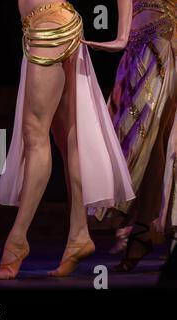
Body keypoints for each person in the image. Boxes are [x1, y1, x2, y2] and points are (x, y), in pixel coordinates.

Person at [0, 0, 135, 280]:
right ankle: (79, 234)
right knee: (69, 137)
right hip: (48, 26)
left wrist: (123, 36)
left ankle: (17, 240)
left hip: (50, 29)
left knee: (35, 133)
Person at [85, 0, 176, 271]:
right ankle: (143, 228)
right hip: (139, 51)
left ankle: (147, 230)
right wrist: (121, 38)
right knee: (147, 141)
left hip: (165, 45)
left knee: (158, 139)